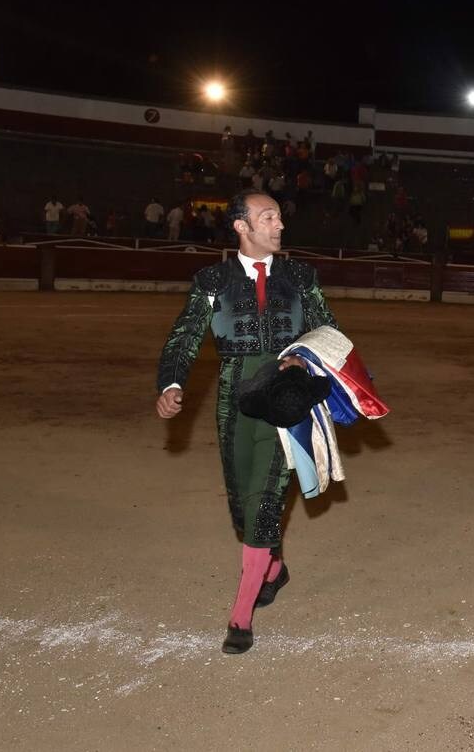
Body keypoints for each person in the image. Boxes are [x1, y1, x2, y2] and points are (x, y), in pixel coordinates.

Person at [155, 190, 338, 653]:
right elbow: (184, 337)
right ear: (241, 226)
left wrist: (303, 360)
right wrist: (171, 384)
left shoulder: (301, 277)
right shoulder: (212, 280)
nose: (279, 225)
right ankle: (273, 568)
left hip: (286, 398)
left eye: (279, 216)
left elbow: (330, 334)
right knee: (242, 502)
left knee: (264, 503)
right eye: (268, 217)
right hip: (235, 396)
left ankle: (241, 617)